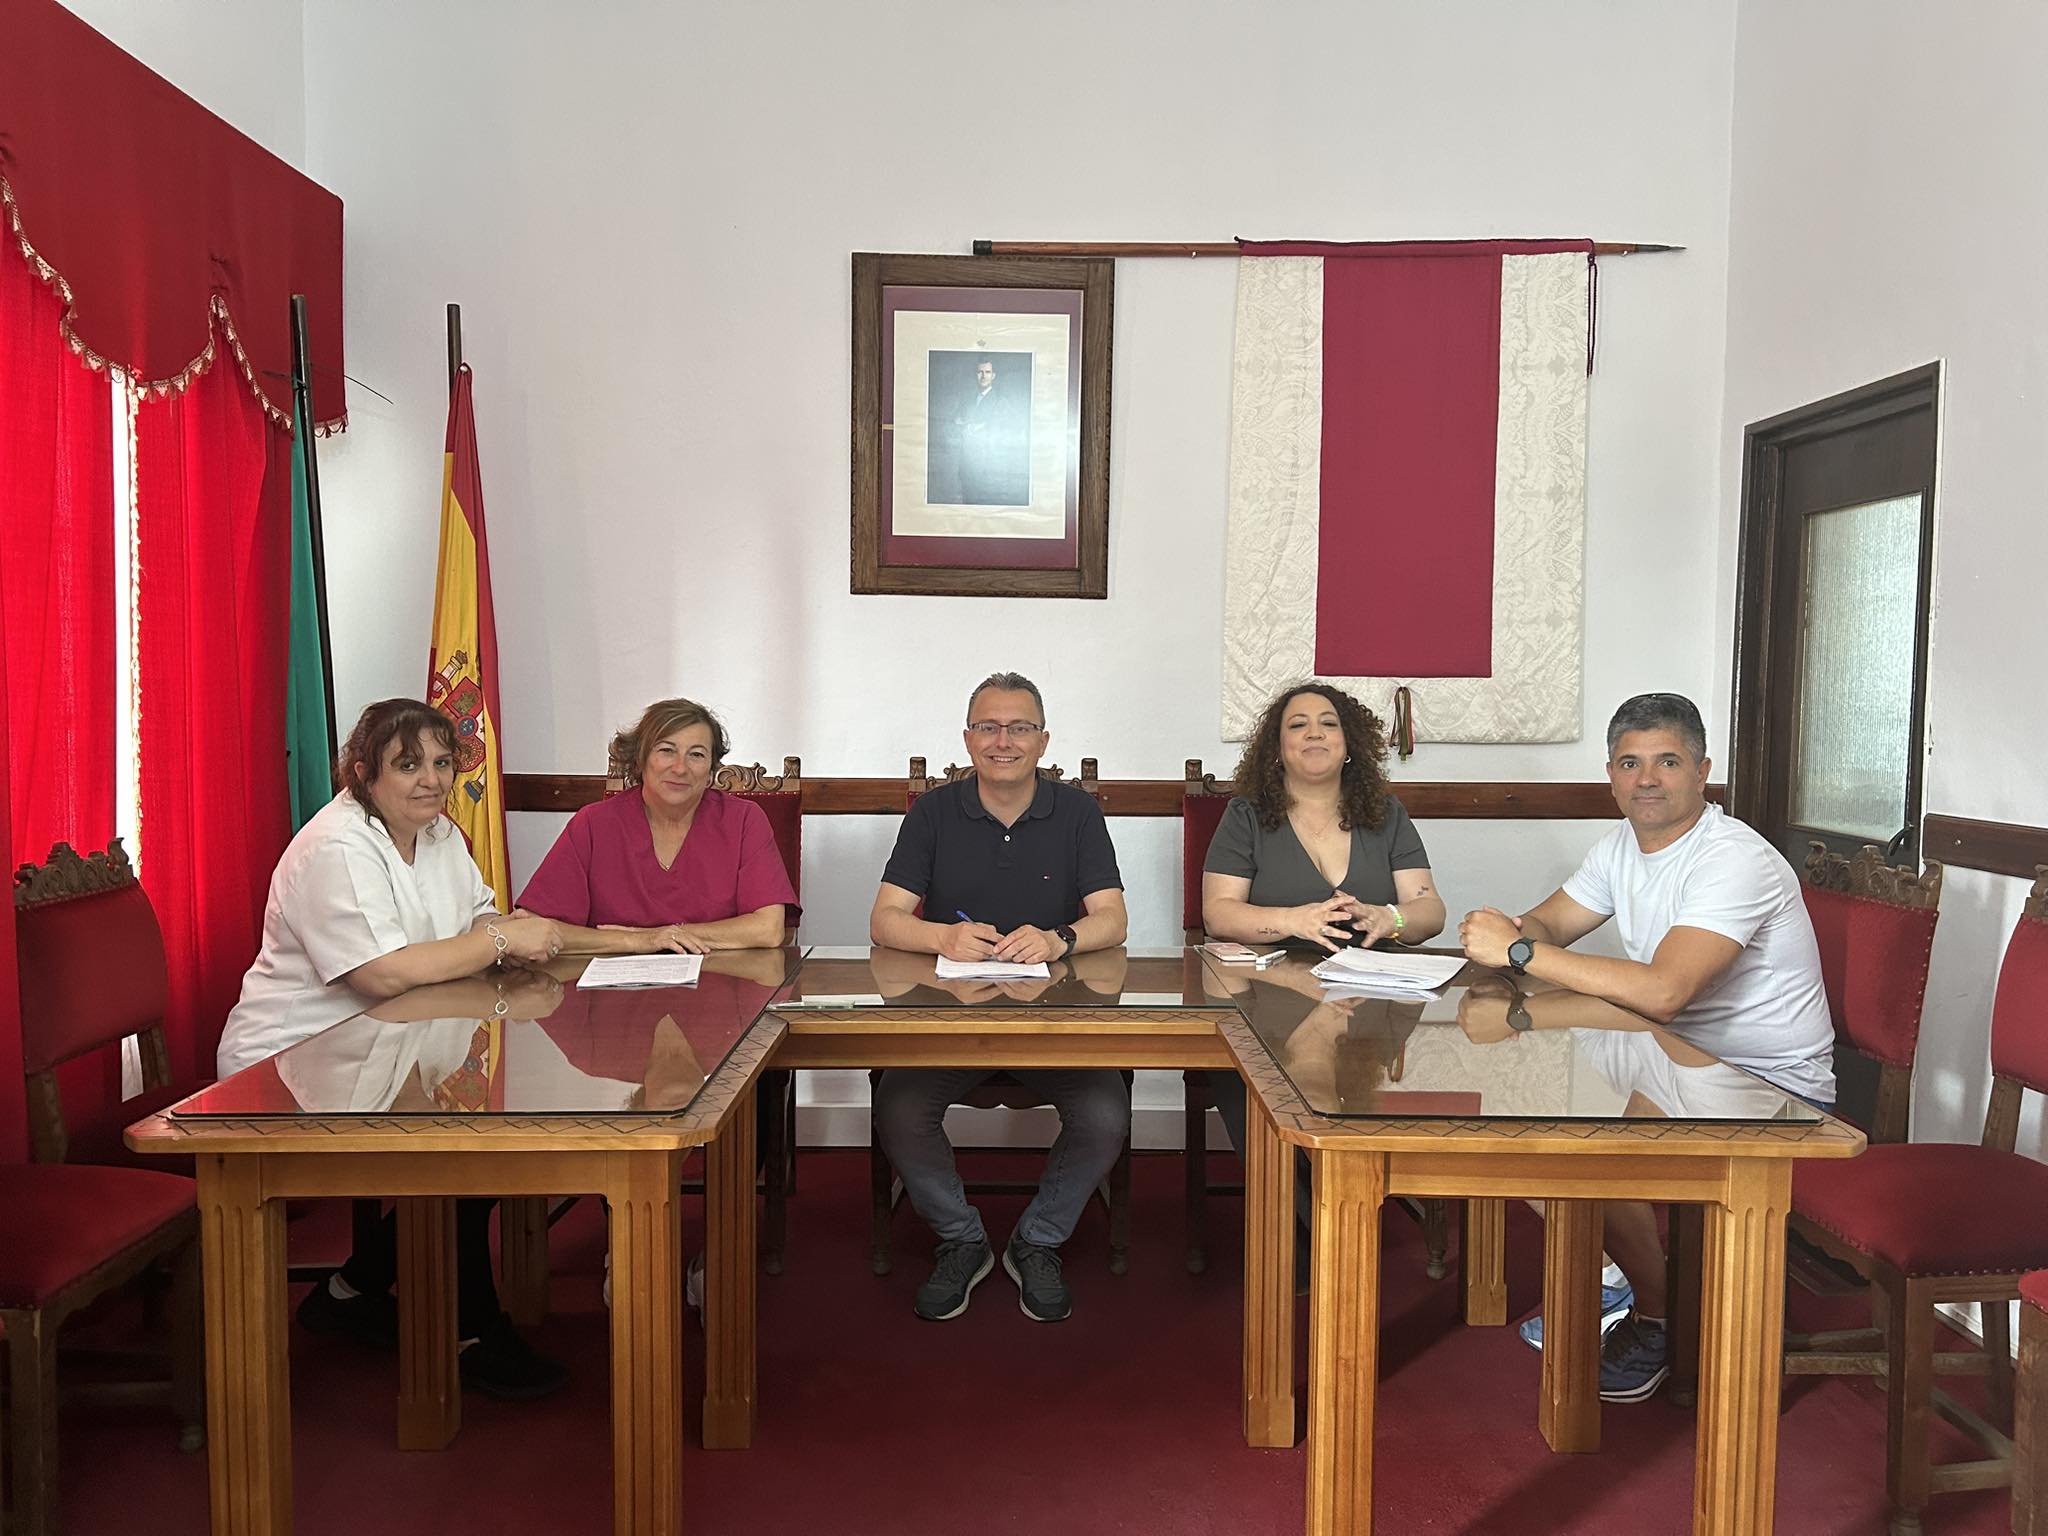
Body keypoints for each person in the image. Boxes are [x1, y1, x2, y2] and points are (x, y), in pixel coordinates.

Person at [1458, 690, 1834, 1403]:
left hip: (1769, 1084)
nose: (1647, 779)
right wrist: (1511, 934)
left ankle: (1663, 1315)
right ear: (1610, 774)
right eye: (1630, 763)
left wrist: (1517, 951)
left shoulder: (1733, 859)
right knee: (1519, 1121)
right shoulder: (1621, 846)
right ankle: (1629, 1278)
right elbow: (1552, 924)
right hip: (1675, 1053)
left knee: (1579, 1153)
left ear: (1703, 771)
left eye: (1667, 761)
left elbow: (1665, 991)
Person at [216, 698, 569, 1400]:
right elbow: (380, 974)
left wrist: (504, 938)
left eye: (442, 763)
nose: (431, 781)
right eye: (408, 765)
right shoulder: (337, 847)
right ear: (362, 774)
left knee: (479, 1149)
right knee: (461, 1160)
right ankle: (469, 1335)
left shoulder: (438, 835)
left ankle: (352, 1291)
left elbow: (475, 918)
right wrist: (502, 941)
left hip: (393, 1045)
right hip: (293, 1061)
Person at [868, 671, 1129, 1323]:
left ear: (1043, 740)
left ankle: (1037, 1242)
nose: (1003, 740)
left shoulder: (1077, 812)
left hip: (1057, 1029)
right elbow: (885, 920)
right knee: (899, 1105)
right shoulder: (933, 811)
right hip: (950, 1025)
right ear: (968, 737)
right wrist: (943, 937)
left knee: (1104, 1112)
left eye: (1018, 727)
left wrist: (1059, 939)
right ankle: (963, 1240)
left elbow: (1114, 920)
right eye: (988, 726)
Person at [1201, 682, 1447, 1167]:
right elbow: (1219, 912)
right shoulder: (1246, 815)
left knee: (1361, 1140)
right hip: (1265, 999)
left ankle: (1340, 1216)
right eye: (1298, 725)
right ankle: (1301, 1229)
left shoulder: (1386, 814)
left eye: (1328, 724)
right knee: (1267, 1130)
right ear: (1277, 747)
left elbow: (1430, 912)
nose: (1314, 734)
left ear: (1350, 742)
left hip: (1371, 1000)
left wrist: (1388, 917)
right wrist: (1295, 920)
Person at [515, 697, 796, 952]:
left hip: (722, 987)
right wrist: (637, 940)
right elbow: (533, 929)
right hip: (613, 999)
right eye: (666, 750)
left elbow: (768, 929)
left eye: (696, 754)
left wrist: (668, 936)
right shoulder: (593, 824)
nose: (680, 768)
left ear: (711, 770)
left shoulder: (744, 820)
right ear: (641, 759)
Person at [953, 354, 1030, 506]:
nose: (983, 376)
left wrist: (981, 427)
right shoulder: (968, 400)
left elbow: (1011, 429)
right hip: (967, 466)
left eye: (987, 372)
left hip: (988, 469)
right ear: (976, 375)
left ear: (993, 376)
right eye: (980, 372)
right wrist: (965, 424)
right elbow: (956, 420)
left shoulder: (1001, 402)